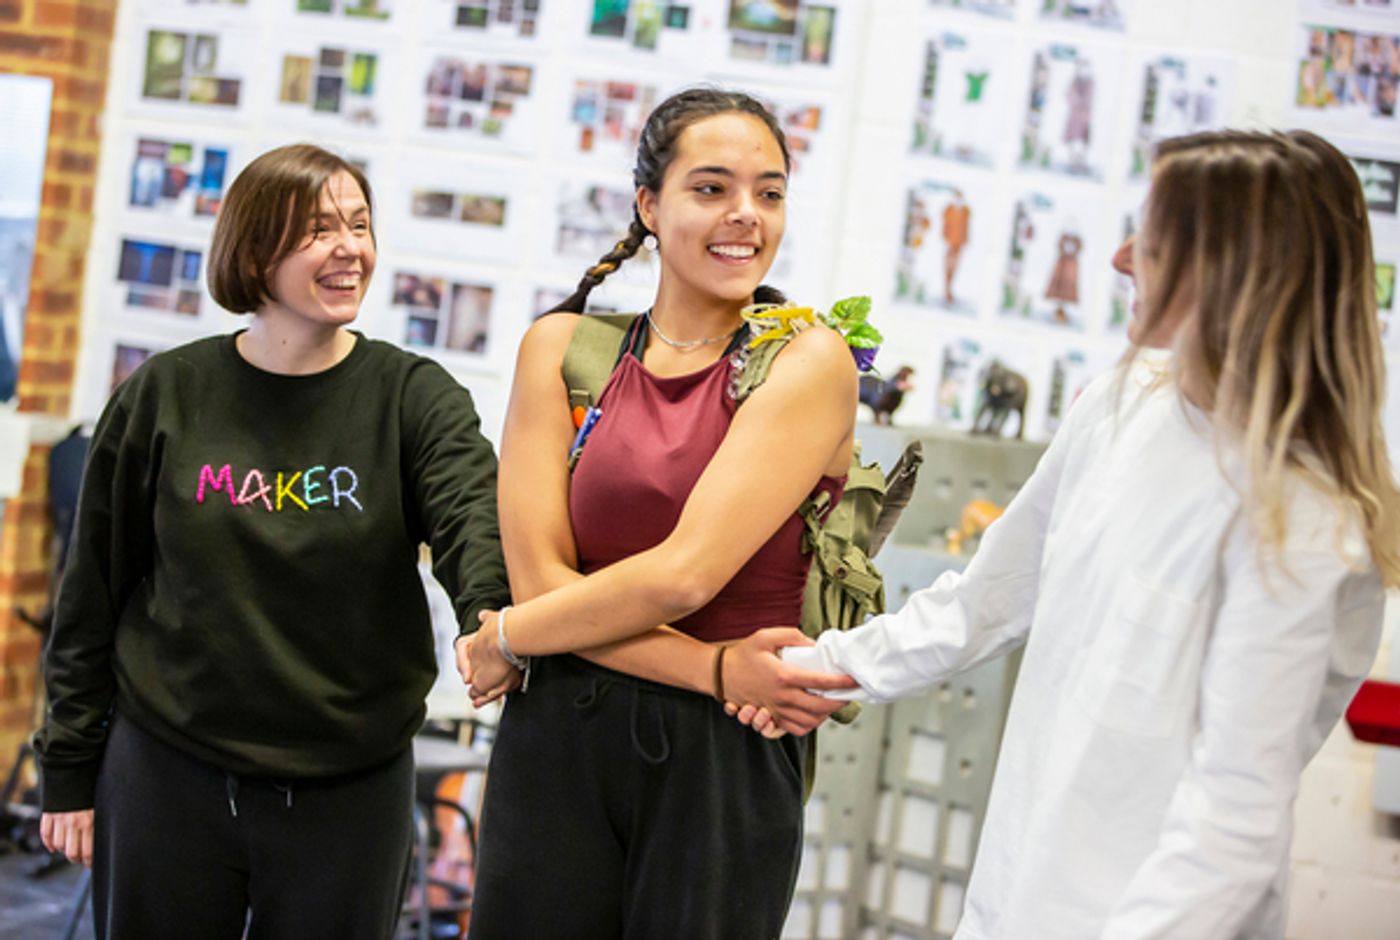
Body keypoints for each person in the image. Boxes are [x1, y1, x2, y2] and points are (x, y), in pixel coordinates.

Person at [742, 129, 1399, 939]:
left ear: (1232, 273)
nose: (1121, 259)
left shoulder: (1307, 523)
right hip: (1013, 902)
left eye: (1152, 239)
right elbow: (989, 599)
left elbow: (1230, 833)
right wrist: (818, 667)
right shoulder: (1123, 407)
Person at [34, 143, 510, 939]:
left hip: (347, 787)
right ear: (254, 252)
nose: (350, 247)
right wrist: (68, 767)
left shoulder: (412, 397)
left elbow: (470, 514)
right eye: (318, 229)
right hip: (167, 771)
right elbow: (91, 591)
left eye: (359, 224)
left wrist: (489, 613)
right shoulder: (166, 393)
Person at [458, 87, 859, 940]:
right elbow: (536, 584)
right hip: (565, 732)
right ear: (649, 204)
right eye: (711, 188)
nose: (746, 215)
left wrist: (511, 639)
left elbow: (685, 575)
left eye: (770, 192)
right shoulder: (562, 349)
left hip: (723, 757)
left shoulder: (809, 361)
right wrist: (717, 670)